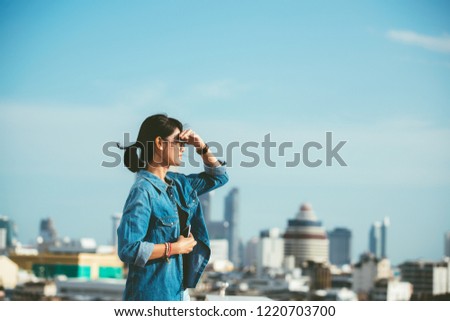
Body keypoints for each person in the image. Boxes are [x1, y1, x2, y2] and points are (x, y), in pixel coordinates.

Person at [116, 114, 228, 301]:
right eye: (178, 142)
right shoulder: (143, 191)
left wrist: (201, 147)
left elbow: (219, 177)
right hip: (153, 295)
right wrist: (174, 248)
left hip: (179, 291)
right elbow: (128, 248)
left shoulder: (179, 185)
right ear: (159, 143)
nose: (183, 148)